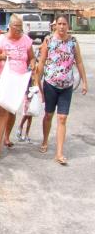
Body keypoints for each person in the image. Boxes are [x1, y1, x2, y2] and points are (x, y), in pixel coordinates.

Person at [36, 16, 88, 165]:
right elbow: (41, 62)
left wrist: (84, 81)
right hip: (50, 84)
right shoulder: (48, 41)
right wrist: (37, 83)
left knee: (62, 118)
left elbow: (79, 62)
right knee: (48, 115)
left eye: (64, 24)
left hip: (67, 86)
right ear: (55, 25)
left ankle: (59, 153)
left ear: (68, 26)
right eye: (59, 24)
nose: (62, 26)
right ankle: (45, 140)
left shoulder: (73, 42)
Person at [0, 14, 34, 157]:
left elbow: (32, 58)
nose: (19, 30)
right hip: (4, 78)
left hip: (19, 80)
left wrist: (33, 65)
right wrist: (1, 57)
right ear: (10, 26)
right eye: (16, 27)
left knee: (12, 110)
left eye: (21, 27)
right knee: (2, 111)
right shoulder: (2, 39)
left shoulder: (26, 39)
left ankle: (7, 137)